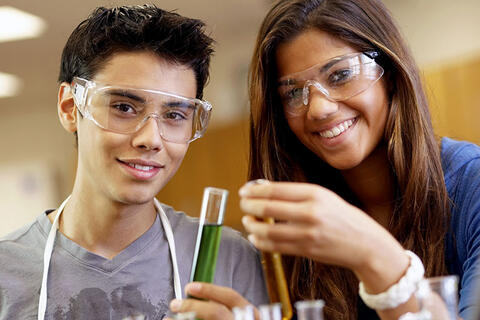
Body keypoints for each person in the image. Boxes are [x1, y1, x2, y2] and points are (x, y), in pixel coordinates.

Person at [0, 5, 268, 319]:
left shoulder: (229, 259)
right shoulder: (7, 270)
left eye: (174, 115)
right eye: (125, 108)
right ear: (71, 107)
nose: (151, 139)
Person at [237, 0, 480, 319]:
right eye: (293, 93)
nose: (318, 109)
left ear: (390, 74)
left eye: (340, 74)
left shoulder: (471, 182)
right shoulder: (293, 227)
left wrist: (375, 254)